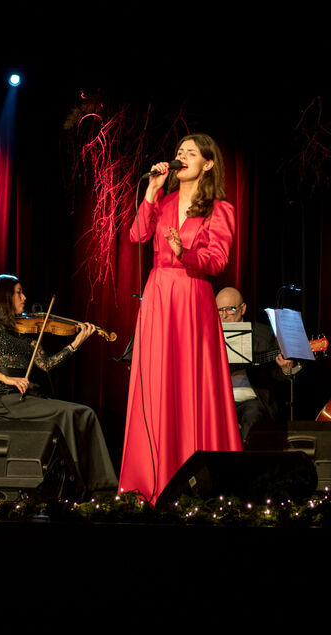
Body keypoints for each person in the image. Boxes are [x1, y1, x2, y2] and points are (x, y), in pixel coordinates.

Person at [120, 133, 241, 504]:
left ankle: (200, 476)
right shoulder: (164, 200)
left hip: (192, 297)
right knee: (156, 383)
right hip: (158, 296)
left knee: (192, 383)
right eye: (178, 152)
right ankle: (149, 477)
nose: (181, 157)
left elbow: (217, 261)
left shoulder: (220, 209)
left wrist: (184, 250)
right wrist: (151, 191)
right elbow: (136, 234)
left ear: (208, 164)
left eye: (191, 152)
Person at [0, 274, 118, 494]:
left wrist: (75, 343)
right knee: (67, 414)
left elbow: (46, 364)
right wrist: (7, 378)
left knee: (84, 413)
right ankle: (74, 487)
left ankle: (103, 487)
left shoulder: (26, 331)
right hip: (5, 399)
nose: (24, 297)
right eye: (19, 292)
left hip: (28, 397)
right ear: (4, 296)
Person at [216, 287, 299, 442]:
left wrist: (286, 370)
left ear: (243, 309)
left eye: (230, 309)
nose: (224, 316)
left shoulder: (264, 334)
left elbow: (277, 377)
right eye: (219, 310)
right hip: (217, 401)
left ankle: (247, 464)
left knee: (252, 414)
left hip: (250, 401)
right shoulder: (208, 335)